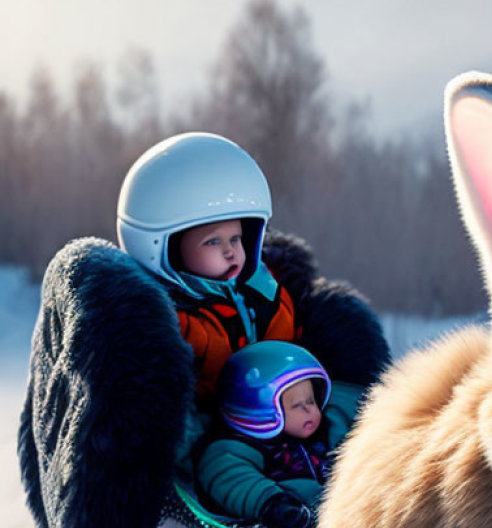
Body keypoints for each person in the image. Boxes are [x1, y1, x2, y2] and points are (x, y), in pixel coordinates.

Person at [116, 132, 369, 477]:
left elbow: (287, 341)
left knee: (351, 399)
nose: (230, 251)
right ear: (168, 249)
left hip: (280, 397)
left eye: (237, 238)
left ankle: (358, 457)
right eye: (212, 241)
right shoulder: (172, 318)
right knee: (212, 454)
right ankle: (269, 500)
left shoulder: (264, 289)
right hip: (224, 417)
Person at [196, 341, 345, 528]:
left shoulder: (328, 428)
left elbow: (355, 400)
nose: (310, 410)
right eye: (297, 405)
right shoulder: (236, 448)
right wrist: (272, 503)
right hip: (301, 521)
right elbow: (230, 475)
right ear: (261, 413)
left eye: (311, 400)